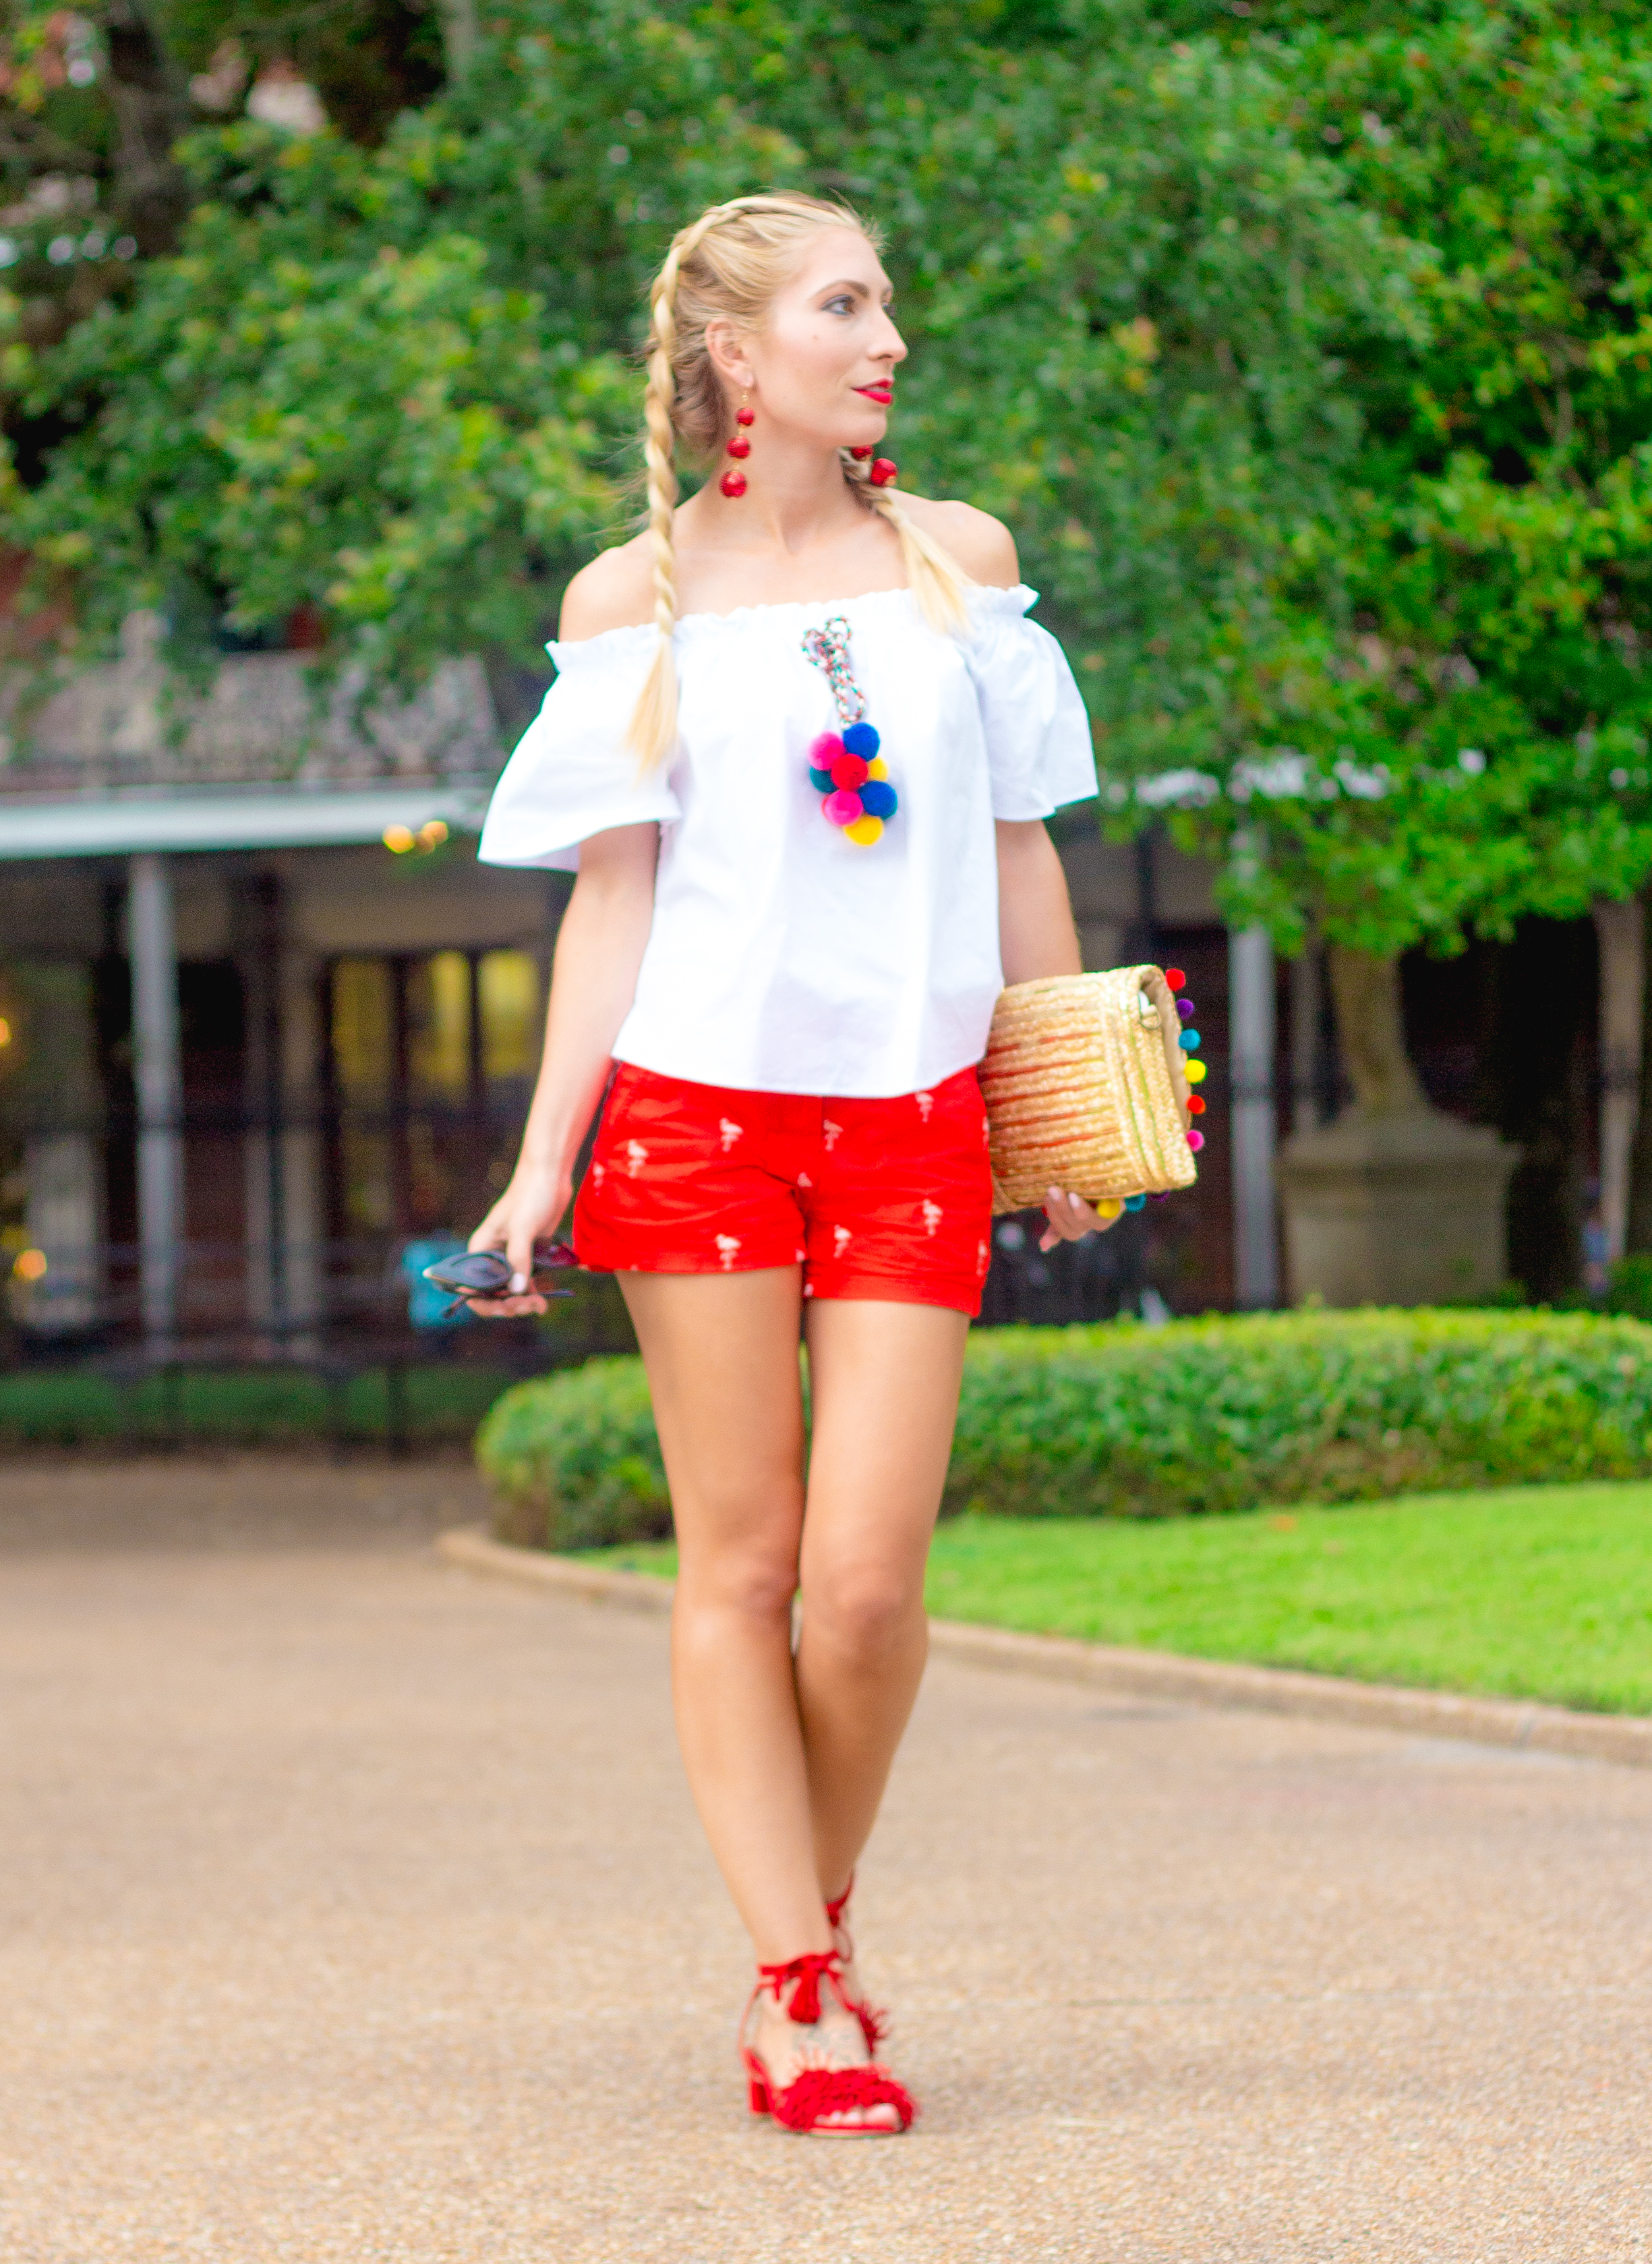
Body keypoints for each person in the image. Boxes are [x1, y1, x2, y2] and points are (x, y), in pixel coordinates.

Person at [467, 192, 1108, 2135]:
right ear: (740, 356)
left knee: (865, 1590)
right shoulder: (625, 601)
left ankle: (801, 1921)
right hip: (692, 1118)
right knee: (737, 1564)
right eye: (845, 303)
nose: (885, 332)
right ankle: (797, 1991)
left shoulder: (958, 570)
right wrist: (533, 1167)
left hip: (913, 1115)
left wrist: (1059, 1107)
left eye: (887, 299)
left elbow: (1015, 851)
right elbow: (610, 909)